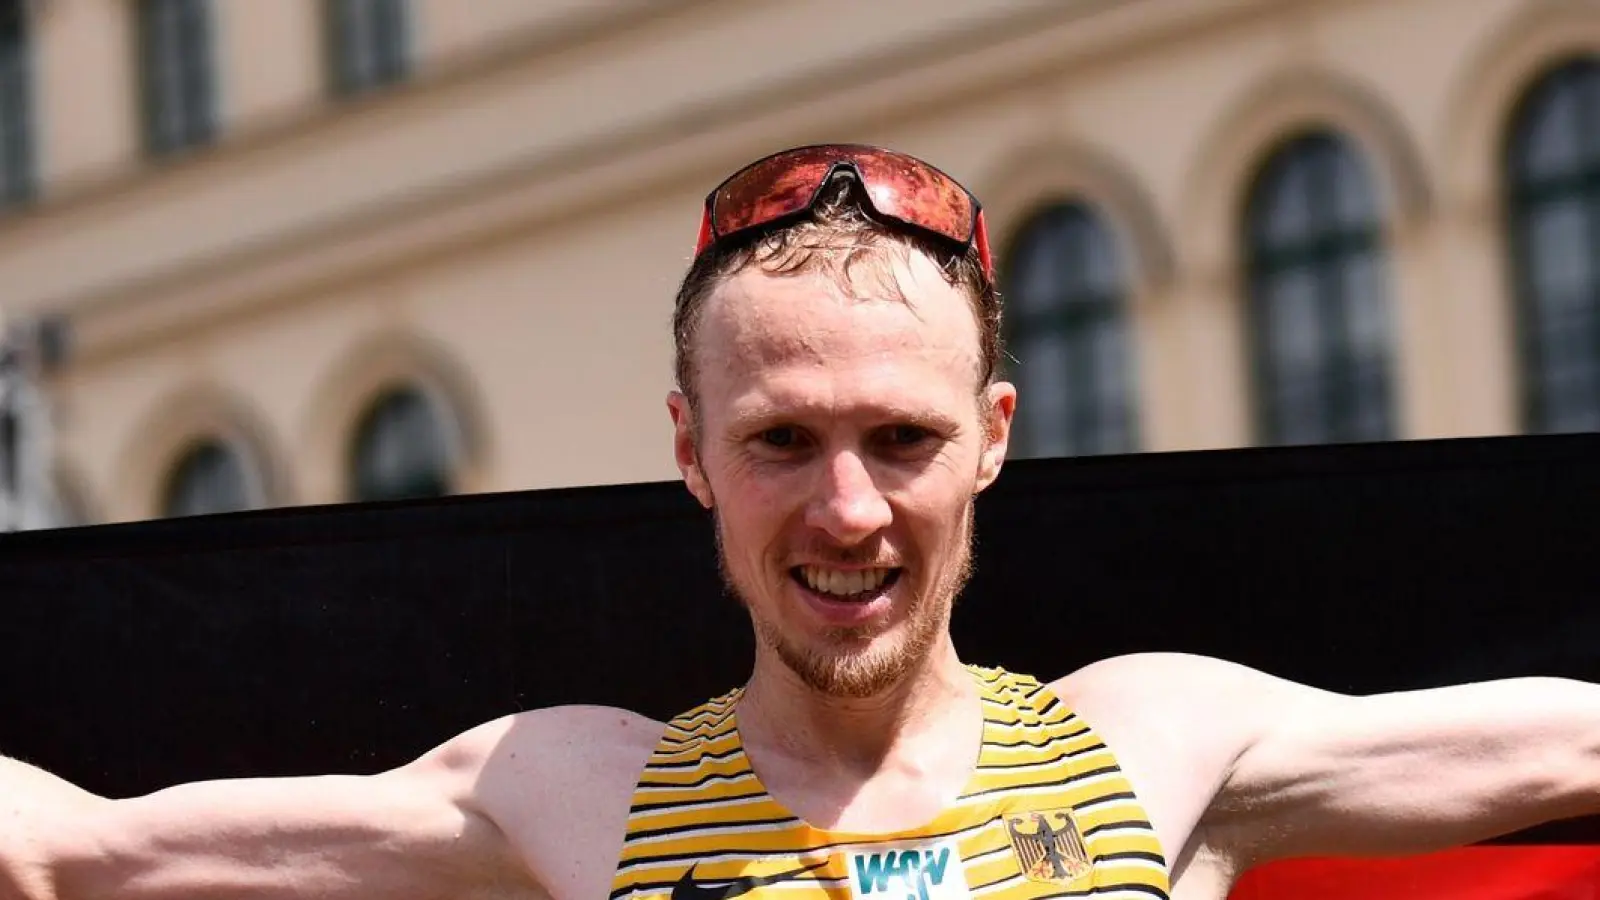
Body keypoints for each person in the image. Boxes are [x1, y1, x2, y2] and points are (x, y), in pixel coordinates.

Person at [2, 144, 1598, 900]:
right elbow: (70, 854)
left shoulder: (1156, 746)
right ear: (692, 452)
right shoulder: (574, 790)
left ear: (991, 442)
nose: (848, 510)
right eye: (783, 441)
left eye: (901, 438)